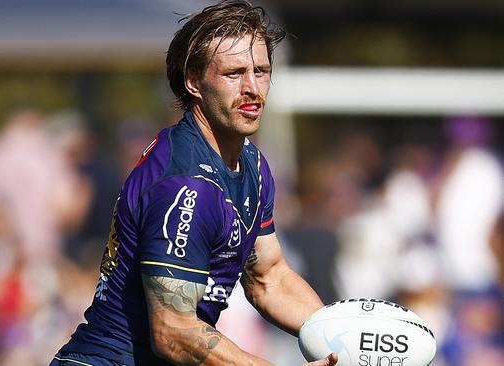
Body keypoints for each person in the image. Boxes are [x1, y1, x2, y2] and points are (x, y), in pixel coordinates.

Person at [50, 1, 337, 365]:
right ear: (193, 82)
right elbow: (172, 330)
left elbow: (268, 277)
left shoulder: (251, 162)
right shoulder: (187, 186)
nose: (253, 87)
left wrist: (340, 340)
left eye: (261, 71)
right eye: (234, 73)